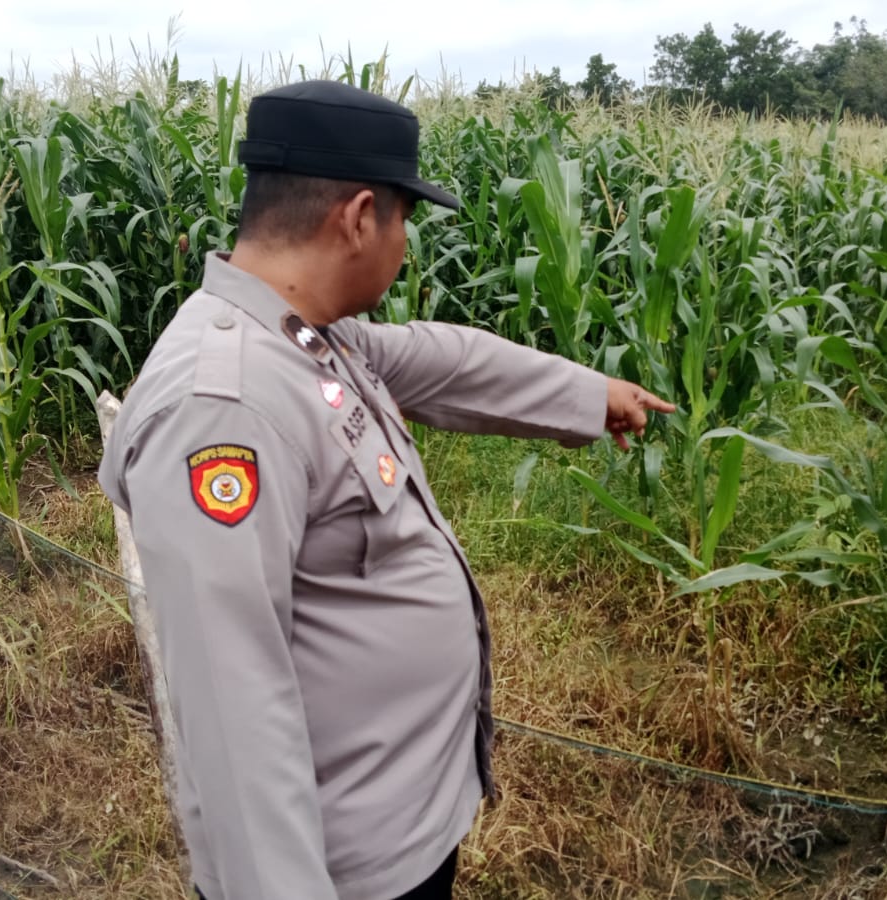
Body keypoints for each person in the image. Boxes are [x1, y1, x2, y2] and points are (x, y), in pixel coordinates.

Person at [97, 80, 674, 900]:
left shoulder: (307, 338)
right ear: (360, 217)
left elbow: (446, 360)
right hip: (345, 872)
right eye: (405, 219)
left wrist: (589, 397)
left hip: (402, 827)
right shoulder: (223, 409)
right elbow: (234, 719)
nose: (405, 241)